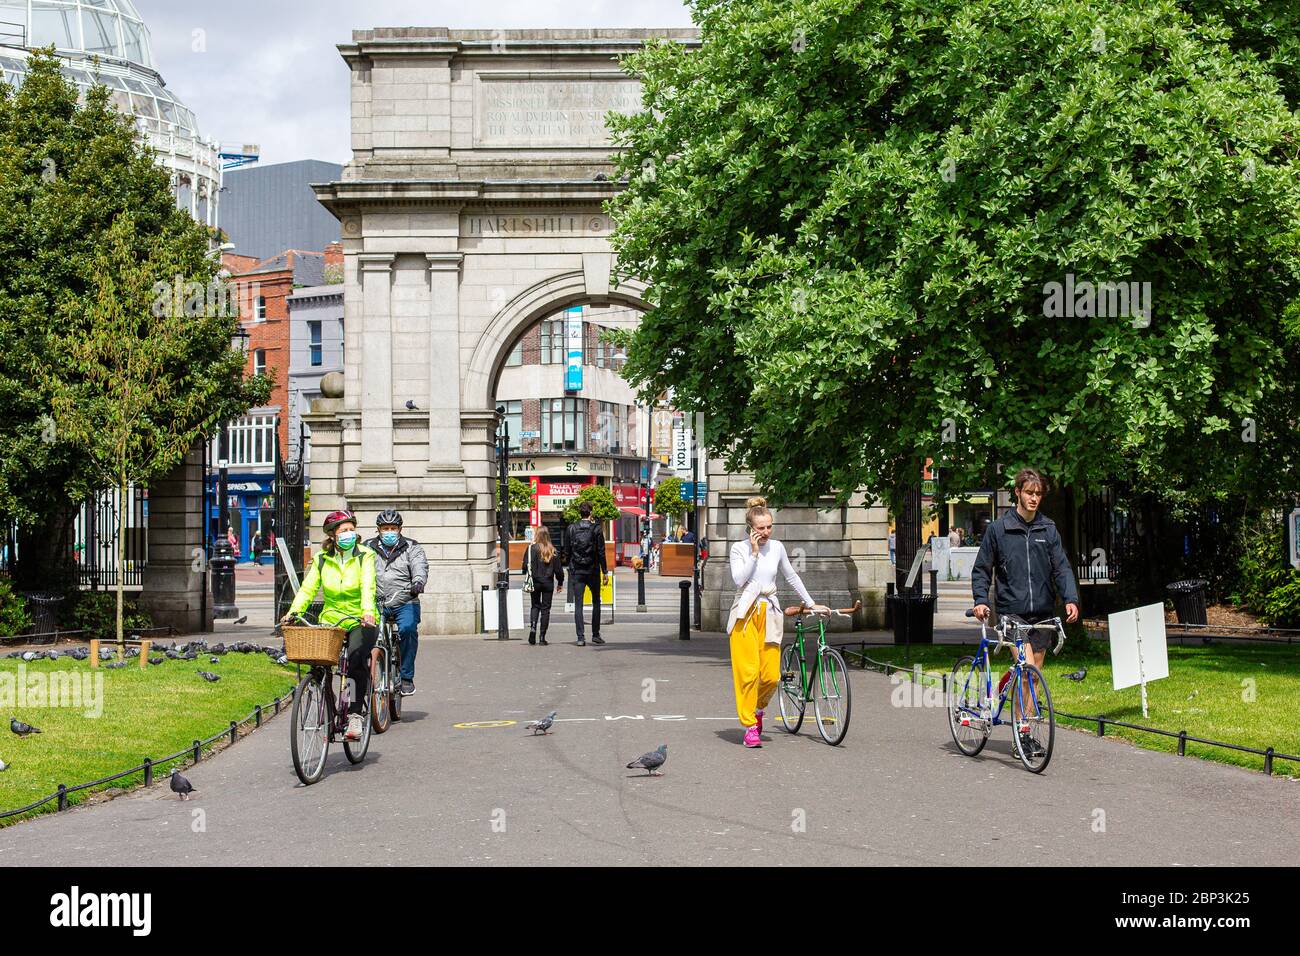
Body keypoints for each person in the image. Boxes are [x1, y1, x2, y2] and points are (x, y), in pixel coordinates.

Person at [971, 468, 1080, 758]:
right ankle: (1023, 735)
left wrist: (1070, 598)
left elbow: (1062, 567)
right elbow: (982, 569)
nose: (1034, 499)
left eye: (1038, 494)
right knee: (1028, 666)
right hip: (1011, 613)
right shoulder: (999, 529)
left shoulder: (1048, 529)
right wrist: (981, 600)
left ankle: (1025, 732)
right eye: (1029, 493)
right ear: (1017, 492)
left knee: (1032, 676)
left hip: (1042, 612)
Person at [726, 496, 820, 749]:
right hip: (745, 615)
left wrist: (811, 603)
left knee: (770, 675)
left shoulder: (777, 547)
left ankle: (758, 709)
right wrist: (754, 554)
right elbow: (739, 580)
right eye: (761, 528)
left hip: (770, 613)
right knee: (748, 673)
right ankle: (749, 726)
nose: (766, 532)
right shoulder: (739, 549)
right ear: (751, 528)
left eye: (769, 527)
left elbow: (791, 577)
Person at [281, 510, 378, 741]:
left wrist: (367, 612)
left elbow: (368, 586)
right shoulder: (322, 559)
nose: (349, 534)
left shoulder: (365, 556)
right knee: (319, 661)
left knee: (355, 658)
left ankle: (354, 714)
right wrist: (294, 612)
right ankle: (328, 702)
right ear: (333, 536)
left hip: (360, 619)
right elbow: (308, 588)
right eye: (344, 531)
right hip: (331, 618)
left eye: (352, 530)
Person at [364, 510, 428, 697]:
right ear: (378, 529)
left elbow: (420, 566)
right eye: (385, 528)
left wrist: (418, 582)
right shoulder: (367, 547)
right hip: (376, 601)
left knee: (408, 629)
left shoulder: (412, 547)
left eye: (393, 528)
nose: (389, 531)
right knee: (365, 631)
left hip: (404, 599)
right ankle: (367, 671)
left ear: (400, 529)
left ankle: (406, 676)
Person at [566, 501, 609, 646]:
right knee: (596, 601)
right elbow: (601, 552)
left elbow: (566, 551)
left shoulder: (571, 528)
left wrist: (571, 565)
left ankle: (580, 637)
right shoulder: (596, 529)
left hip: (577, 570)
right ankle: (595, 634)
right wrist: (605, 571)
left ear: (580, 513)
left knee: (578, 604)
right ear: (590, 513)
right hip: (593, 570)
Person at [522, 526, 564, 646]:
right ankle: (542, 637)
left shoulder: (531, 549)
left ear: (537, 535)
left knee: (535, 606)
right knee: (546, 609)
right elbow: (559, 570)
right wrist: (560, 583)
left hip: (534, 582)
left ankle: (533, 627)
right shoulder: (553, 550)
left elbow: (524, 567)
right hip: (548, 583)